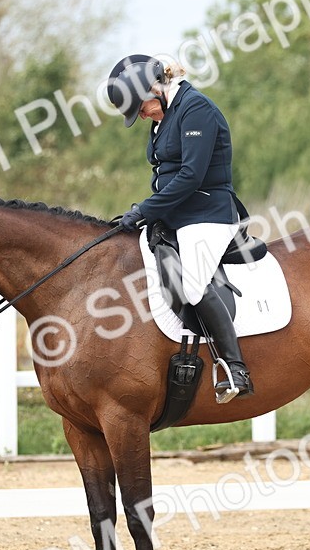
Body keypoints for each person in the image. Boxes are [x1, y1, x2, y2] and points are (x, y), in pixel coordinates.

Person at [107, 54, 253, 402]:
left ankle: (236, 369)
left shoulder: (195, 109)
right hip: (175, 215)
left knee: (193, 283)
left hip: (207, 213)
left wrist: (144, 209)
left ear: (155, 88)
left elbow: (190, 176)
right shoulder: (163, 117)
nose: (141, 116)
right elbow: (163, 174)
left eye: (140, 108)